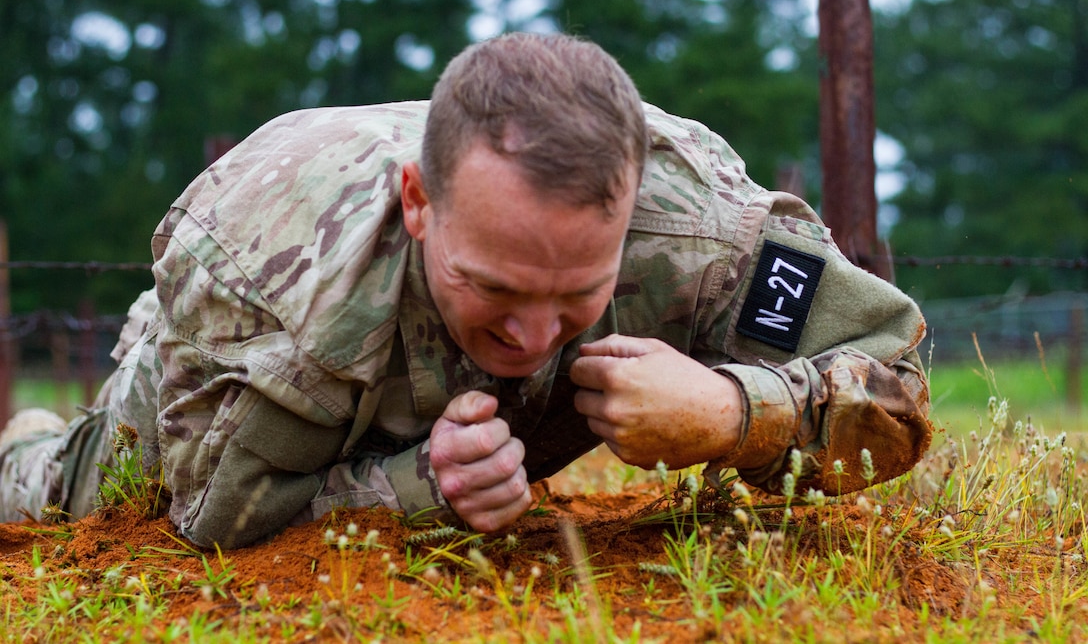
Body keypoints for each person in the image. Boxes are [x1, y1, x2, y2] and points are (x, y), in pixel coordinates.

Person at [0, 33, 932, 548]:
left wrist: (735, 411)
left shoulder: (701, 232)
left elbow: (898, 384)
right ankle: (32, 439)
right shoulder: (276, 282)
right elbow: (217, 513)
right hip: (236, 367)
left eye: (577, 292)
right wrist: (419, 487)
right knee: (68, 492)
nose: (533, 335)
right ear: (418, 201)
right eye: (494, 285)